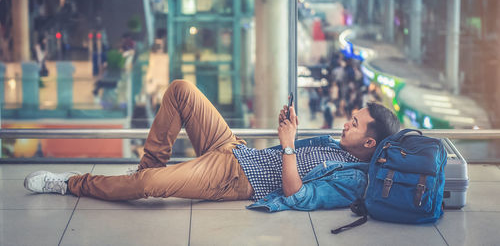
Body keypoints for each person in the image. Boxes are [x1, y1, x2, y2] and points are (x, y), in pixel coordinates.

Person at [24, 79, 400, 212]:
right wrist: (288, 135)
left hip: (233, 179)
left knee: (151, 188)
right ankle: (145, 169)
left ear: (369, 141)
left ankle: (70, 183)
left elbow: (297, 195)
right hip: (236, 150)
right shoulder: (337, 147)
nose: (346, 122)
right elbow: (288, 156)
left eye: (354, 122)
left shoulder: (354, 179)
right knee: (181, 90)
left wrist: (287, 145)